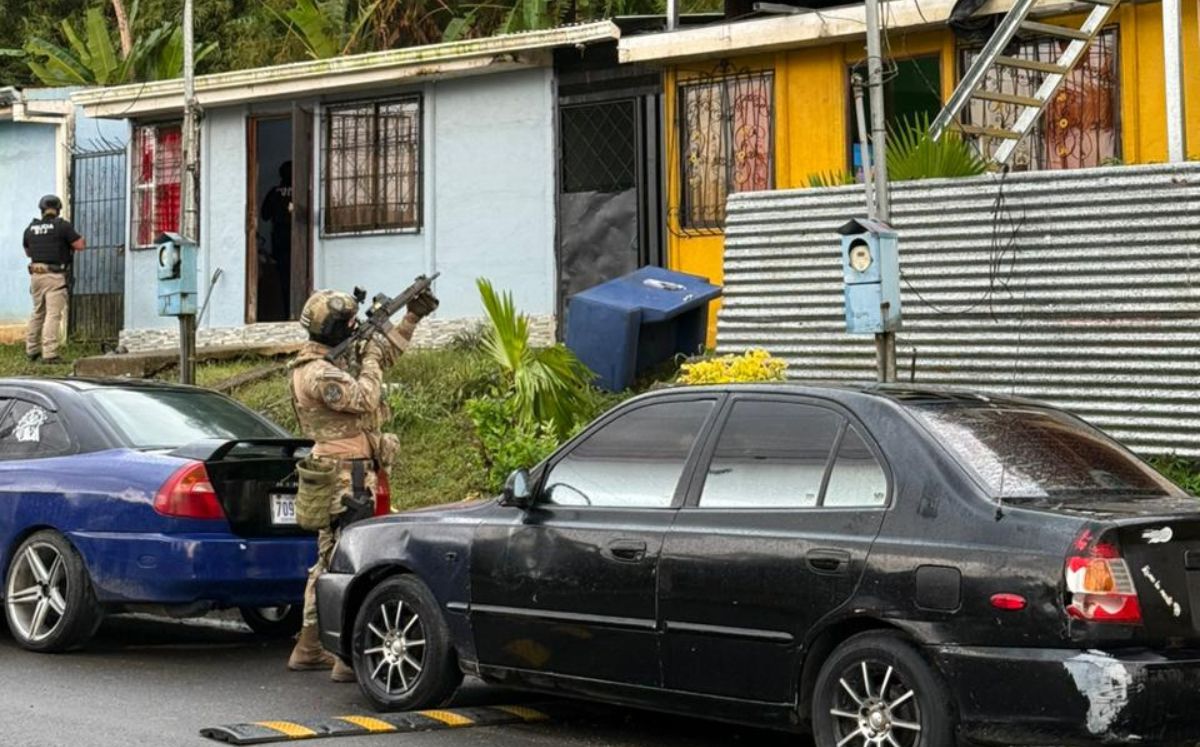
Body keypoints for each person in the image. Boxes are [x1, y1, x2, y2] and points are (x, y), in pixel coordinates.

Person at [286, 285, 438, 682]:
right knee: (357, 562)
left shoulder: (332, 360)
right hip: (346, 478)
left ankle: (310, 647)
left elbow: (385, 357)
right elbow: (366, 396)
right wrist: (369, 355)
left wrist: (410, 319)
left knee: (330, 561)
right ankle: (344, 656)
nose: (356, 328)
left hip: (349, 473)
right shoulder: (317, 373)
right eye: (351, 324)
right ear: (336, 329)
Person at [23, 195, 85, 363]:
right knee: (53, 314)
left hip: (36, 276)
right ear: (58, 210)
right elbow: (80, 245)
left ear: (42, 210)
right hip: (54, 276)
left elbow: (28, 252)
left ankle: (32, 350)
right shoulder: (62, 226)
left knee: (38, 312)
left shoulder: (30, 228)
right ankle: (49, 353)